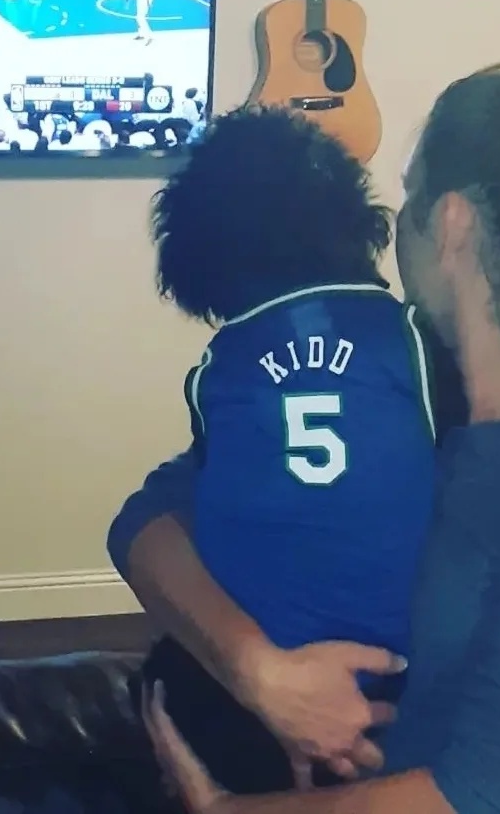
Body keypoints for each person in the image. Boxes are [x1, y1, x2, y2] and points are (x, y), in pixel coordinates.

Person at [113, 34, 500, 813]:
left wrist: (222, 810)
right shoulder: (385, 378)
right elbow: (144, 527)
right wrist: (261, 674)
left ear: (449, 225)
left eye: (408, 196)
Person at [138, 106, 437, 796]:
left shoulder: (220, 370)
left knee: (167, 676)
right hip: (393, 693)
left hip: (231, 709)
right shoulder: (415, 345)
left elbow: (181, 505)